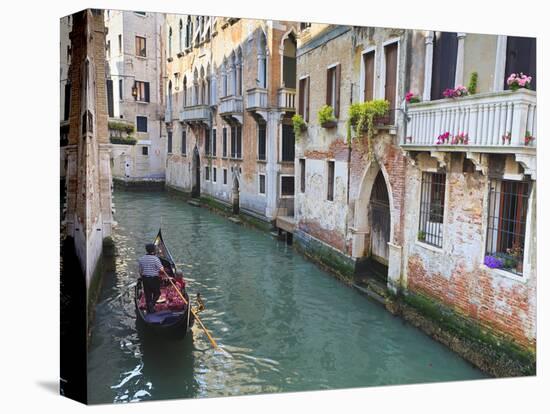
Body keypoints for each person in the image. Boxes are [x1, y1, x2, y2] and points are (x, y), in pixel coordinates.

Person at [138, 243, 169, 314]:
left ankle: (150, 310)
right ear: (153, 250)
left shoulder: (141, 259)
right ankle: (152, 304)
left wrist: (143, 276)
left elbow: (140, 271)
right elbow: (161, 269)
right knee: (157, 293)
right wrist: (162, 268)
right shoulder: (155, 259)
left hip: (145, 279)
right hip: (154, 279)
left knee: (148, 295)